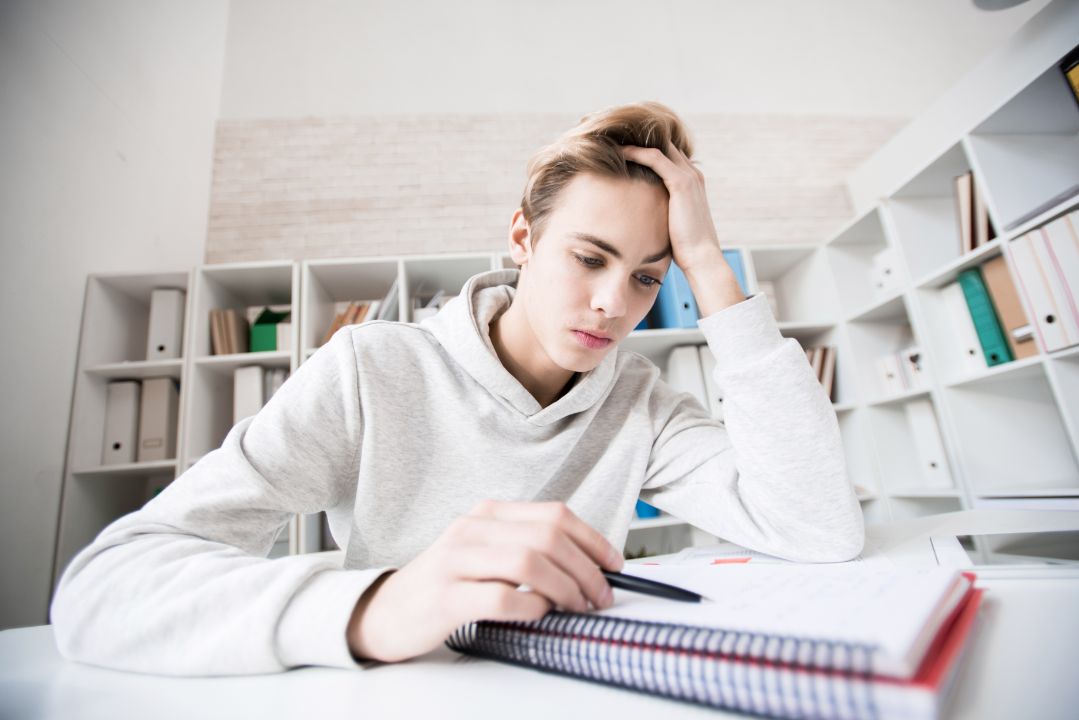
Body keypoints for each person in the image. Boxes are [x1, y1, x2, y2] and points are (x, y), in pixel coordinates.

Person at [50, 101, 864, 676]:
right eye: (589, 257)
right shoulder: (371, 369)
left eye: (648, 277)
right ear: (522, 237)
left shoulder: (642, 404)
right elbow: (104, 590)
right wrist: (381, 607)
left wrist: (713, 270)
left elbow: (819, 527)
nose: (616, 304)